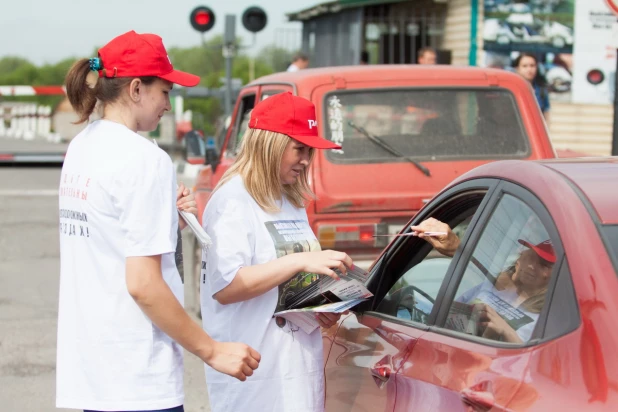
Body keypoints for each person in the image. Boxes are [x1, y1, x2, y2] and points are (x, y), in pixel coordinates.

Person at [57, 30, 260, 412]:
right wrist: (212, 350)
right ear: (136, 89)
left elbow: (110, 240)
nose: (168, 104)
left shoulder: (83, 146)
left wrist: (169, 225)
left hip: (95, 370)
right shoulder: (143, 159)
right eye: (165, 92)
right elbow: (143, 285)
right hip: (137, 375)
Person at [200, 92, 353, 412]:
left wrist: (320, 302)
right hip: (255, 378)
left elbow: (287, 284)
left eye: (310, 150)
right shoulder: (233, 201)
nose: (306, 160)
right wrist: (298, 260)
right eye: (299, 148)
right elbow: (226, 287)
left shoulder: (290, 201)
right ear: (269, 143)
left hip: (297, 371)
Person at [411, 218, 555, 344]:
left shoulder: (545, 321)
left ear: (554, 277)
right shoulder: (493, 285)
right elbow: (448, 313)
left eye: (543, 264)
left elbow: (529, 363)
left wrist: (505, 331)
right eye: (531, 255)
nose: (530, 265)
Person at [513, 52, 550, 120]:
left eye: (532, 65)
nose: (529, 69)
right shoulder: (511, 90)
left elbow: (546, 113)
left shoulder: (542, 90)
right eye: (525, 66)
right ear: (517, 68)